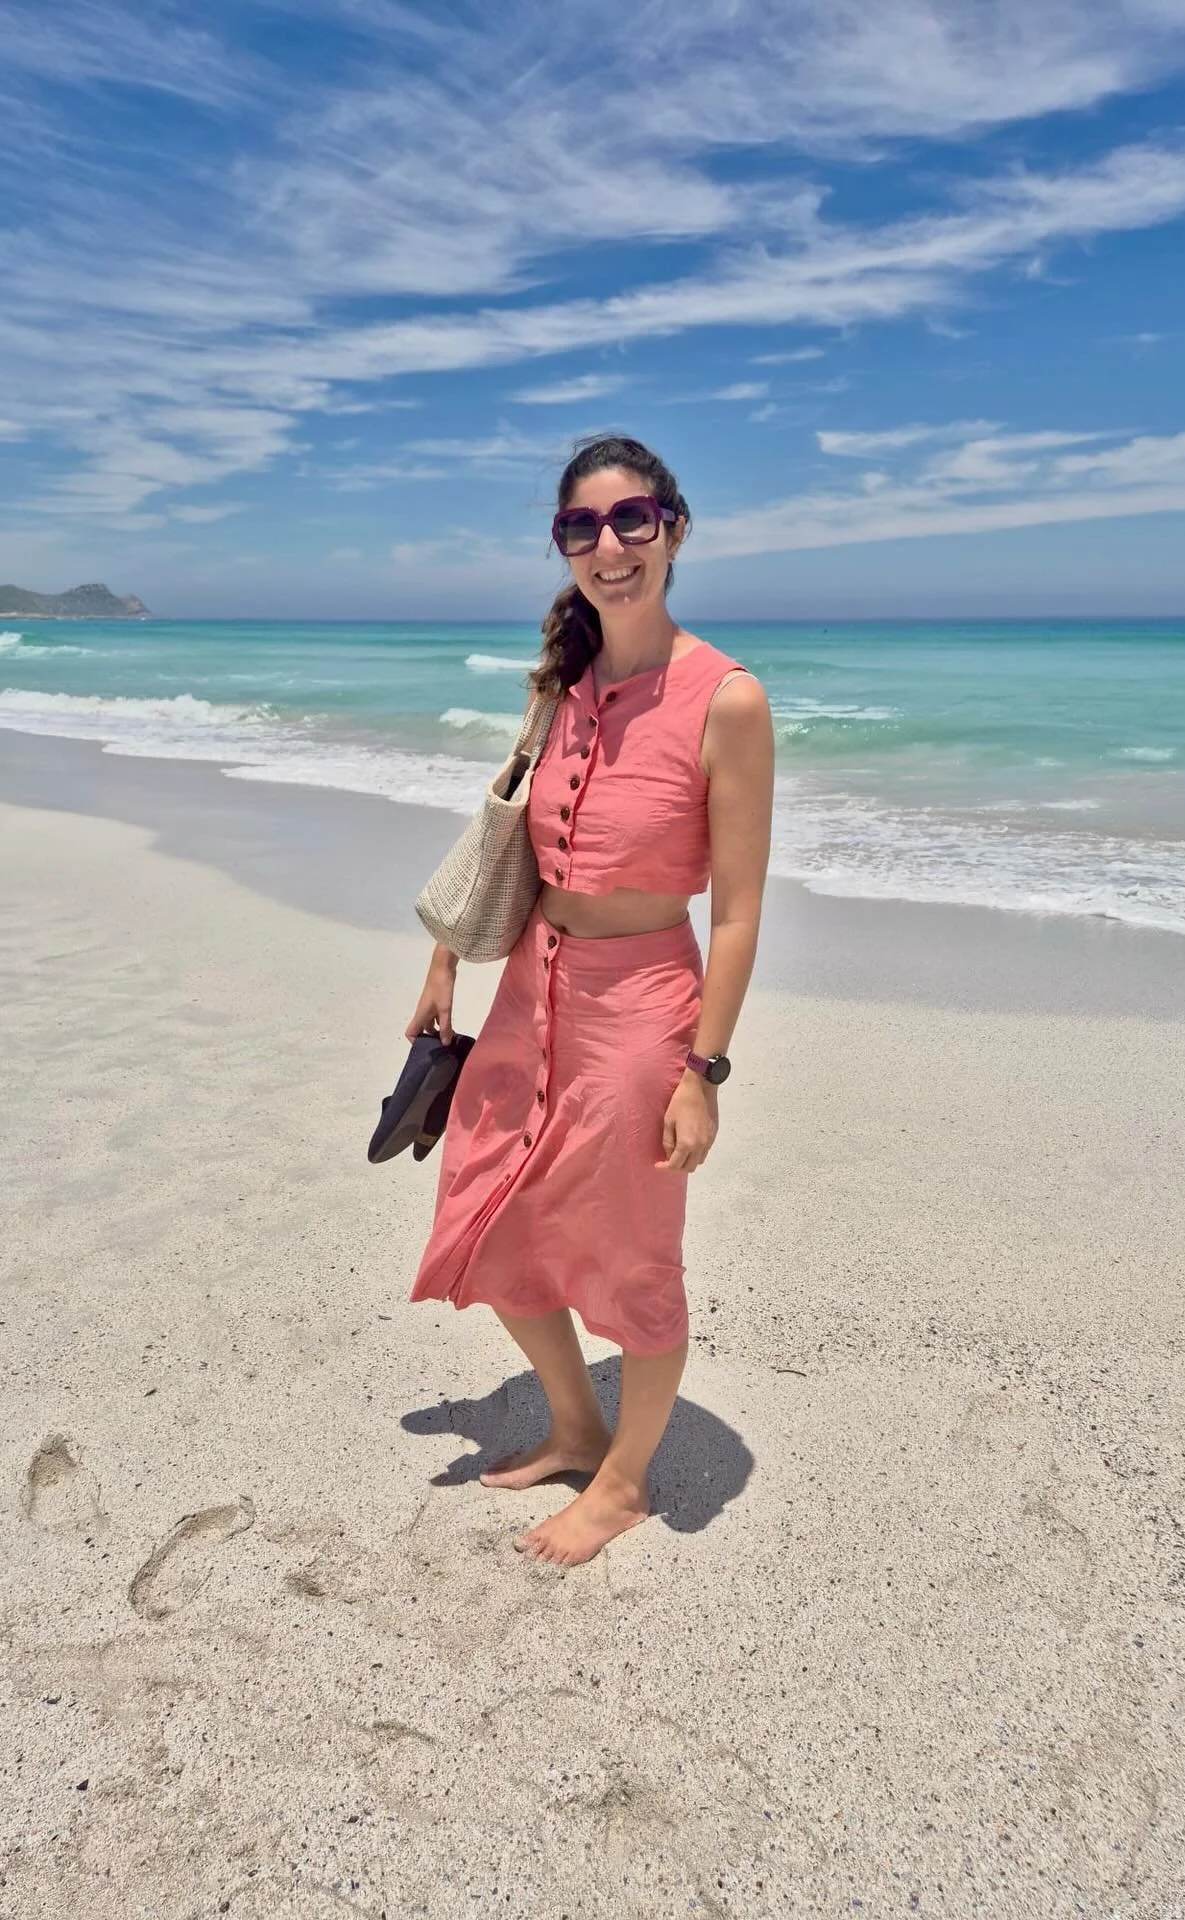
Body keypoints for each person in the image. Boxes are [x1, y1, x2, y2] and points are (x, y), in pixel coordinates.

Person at [405, 434, 774, 1566]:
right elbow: (507, 839)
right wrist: (443, 963)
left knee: (630, 1246)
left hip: (641, 1005)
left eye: (632, 521)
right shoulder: (562, 684)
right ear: (564, 547)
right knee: (489, 1196)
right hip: (531, 985)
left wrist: (702, 1074)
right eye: (583, 528)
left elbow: (742, 914)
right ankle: (574, 1423)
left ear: (674, 528)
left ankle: (621, 1486)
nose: (609, 547)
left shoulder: (729, 701)